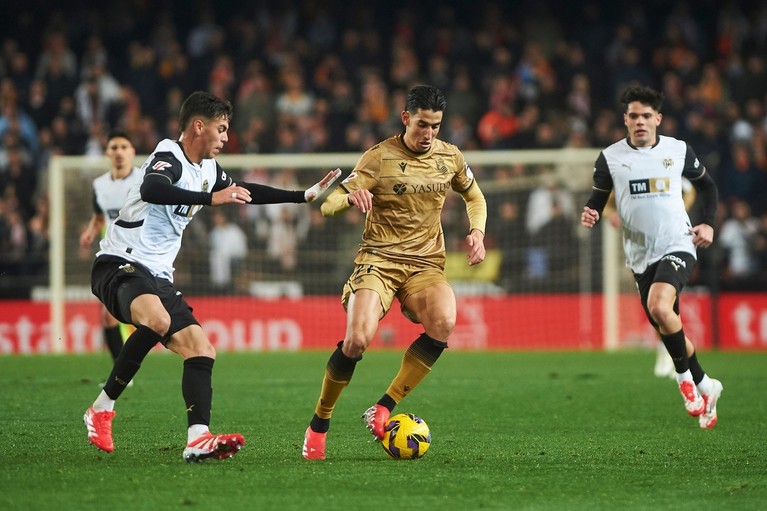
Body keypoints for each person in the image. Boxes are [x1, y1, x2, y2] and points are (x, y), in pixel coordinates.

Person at [82, 91, 341, 462]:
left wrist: (303, 196)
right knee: (157, 320)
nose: (224, 138)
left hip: (157, 274)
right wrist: (210, 200)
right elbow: (151, 189)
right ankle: (101, 408)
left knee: (201, 349)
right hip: (120, 261)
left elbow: (244, 192)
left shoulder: (208, 170)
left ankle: (197, 438)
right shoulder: (168, 154)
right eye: (220, 129)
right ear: (198, 126)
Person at [301, 85, 487, 460]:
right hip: (379, 261)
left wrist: (477, 231)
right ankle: (319, 424)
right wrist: (349, 198)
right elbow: (329, 205)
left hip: (424, 265)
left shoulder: (449, 156)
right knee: (357, 340)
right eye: (422, 125)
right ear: (406, 118)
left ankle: (384, 407)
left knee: (444, 322)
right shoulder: (379, 157)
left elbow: (475, 196)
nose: (428, 134)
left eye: (435, 126)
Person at [580, 85, 722, 429]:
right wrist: (591, 212)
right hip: (639, 256)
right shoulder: (610, 157)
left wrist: (708, 224)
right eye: (634, 116)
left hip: (678, 243)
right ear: (625, 120)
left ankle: (684, 379)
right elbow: (598, 198)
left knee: (660, 307)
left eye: (646, 116)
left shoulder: (678, 150)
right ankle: (707, 385)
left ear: (658, 118)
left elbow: (708, 187)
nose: (640, 121)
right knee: (667, 326)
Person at [79, 130, 143, 367]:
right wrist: (90, 232)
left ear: (132, 152)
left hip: (141, 253)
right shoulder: (99, 185)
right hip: (113, 255)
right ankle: (121, 371)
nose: (119, 152)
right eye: (114, 147)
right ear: (107, 153)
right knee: (107, 316)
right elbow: (99, 217)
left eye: (124, 147)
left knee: (147, 317)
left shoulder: (143, 181)